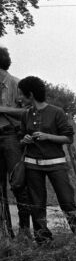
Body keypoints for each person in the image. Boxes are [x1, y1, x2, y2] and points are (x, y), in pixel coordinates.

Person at [16, 76, 76, 243]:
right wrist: (24, 139)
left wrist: (47, 136)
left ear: (30, 94)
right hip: (32, 165)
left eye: (22, 94)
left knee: (67, 201)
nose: (19, 98)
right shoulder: (26, 115)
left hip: (56, 164)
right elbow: (19, 138)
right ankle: (43, 239)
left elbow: (69, 138)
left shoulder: (56, 112)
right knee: (36, 204)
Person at [0, 46, 31, 239]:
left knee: (19, 183)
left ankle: (25, 231)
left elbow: (28, 112)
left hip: (11, 136)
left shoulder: (17, 85)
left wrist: (3, 109)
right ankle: (4, 233)